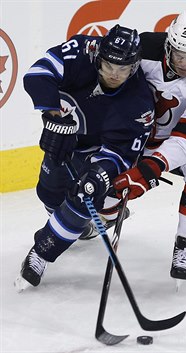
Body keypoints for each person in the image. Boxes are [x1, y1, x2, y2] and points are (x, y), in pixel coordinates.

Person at [15, 25, 155, 291]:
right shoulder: (81, 50)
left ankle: (41, 252)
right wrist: (56, 117)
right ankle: (79, 225)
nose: (114, 74)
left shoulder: (139, 103)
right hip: (65, 139)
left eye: (122, 69)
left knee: (87, 193)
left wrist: (100, 173)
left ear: (134, 67)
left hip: (101, 149)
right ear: (98, 57)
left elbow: (122, 153)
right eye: (108, 65)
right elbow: (37, 74)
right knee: (49, 194)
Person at [112, 11, 186, 284]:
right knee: (107, 195)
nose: (185, 63)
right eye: (179, 55)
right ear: (168, 44)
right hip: (132, 136)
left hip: (175, 143)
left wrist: (152, 166)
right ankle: (98, 221)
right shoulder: (142, 49)